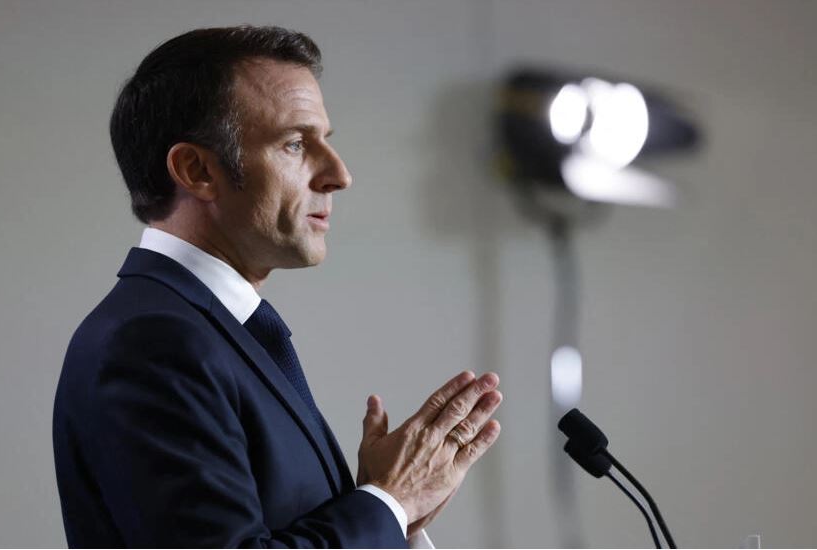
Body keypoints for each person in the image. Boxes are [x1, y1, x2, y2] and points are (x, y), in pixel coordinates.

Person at [52, 25, 503, 548]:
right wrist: (389, 501)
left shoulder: (207, 329)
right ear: (196, 170)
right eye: (294, 144)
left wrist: (390, 517)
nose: (339, 174)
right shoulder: (153, 343)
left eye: (325, 141)